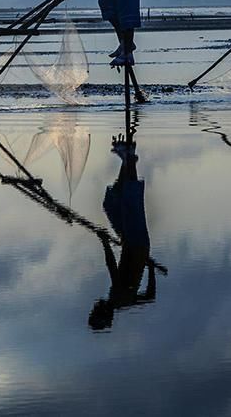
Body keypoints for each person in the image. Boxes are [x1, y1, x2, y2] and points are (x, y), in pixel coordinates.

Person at [89, 135, 156, 330]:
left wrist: (150, 267)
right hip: (136, 243)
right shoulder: (118, 297)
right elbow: (112, 266)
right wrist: (104, 241)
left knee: (111, 205)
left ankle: (126, 162)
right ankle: (130, 159)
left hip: (133, 245)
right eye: (95, 309)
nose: (95, 304)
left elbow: (150, 296)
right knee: (131, 202)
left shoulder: (124, 303)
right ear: (103, 312)